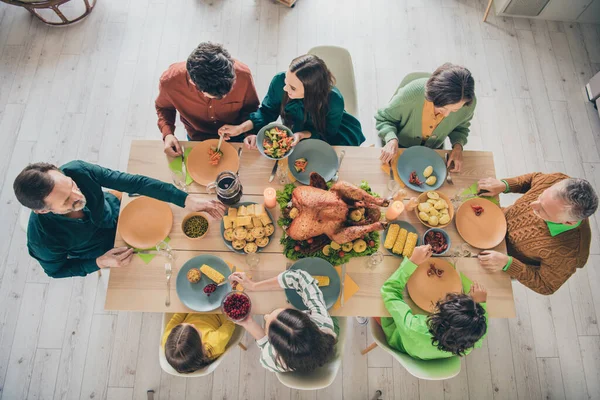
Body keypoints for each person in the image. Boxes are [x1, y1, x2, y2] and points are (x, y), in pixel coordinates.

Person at [13, 160, 226, 279]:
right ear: (43, 211)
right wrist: (99, 262)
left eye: (72, 186)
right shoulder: (42, 240)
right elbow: (55, 271)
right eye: (66, 201)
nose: (79, 197)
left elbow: (134, 183)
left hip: (122, 212)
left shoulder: (78, 170)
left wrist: (185, 199)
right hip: (107, 252)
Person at [476, 173, 598, 295]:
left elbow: (546, 286)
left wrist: (508, 264)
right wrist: (505, 185)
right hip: (495, 220)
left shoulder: (569, 253)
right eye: (540, 197)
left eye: (543, 210)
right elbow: (533, 179)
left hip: (499, 258)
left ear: (569, 222)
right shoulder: (558, 181)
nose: (532, 205)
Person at [220, 54, 365, 147]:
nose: (285, 89)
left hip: (329, 133)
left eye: (293, 88)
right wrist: (240, 128)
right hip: (297, 130)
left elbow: (328, 132)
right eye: (286, 81)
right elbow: (266, 112)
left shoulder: (334, 101)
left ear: (311, 90)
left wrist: (303, 134)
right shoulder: (279, 82)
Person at [380, 245, 488, 360]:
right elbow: (481, 324)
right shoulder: (475, 338)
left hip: (400, 337)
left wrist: (412, 262)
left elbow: (388, 291)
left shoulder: (414, 327)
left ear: (439, 319)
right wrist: (479, 304)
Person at [155, 42, 260, 156]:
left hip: (238, 134)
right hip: (197, 136)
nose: (223, 98)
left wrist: (249, 132)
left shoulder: (243, 75)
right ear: (193, 83)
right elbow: (164, 107)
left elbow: (251, 107)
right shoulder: (170, 81)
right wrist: (168, 134)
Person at [227, 269, 337, 373]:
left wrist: (248, 324)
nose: (266, 315)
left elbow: (265, 345)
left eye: (267, 327)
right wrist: (253, 285)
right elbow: (300, 277)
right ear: (305, 317)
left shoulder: (271, 359)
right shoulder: (322, 322)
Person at [376, 63, 476, 172]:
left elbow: (461, 128)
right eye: (442, 108)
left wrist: (458, 147)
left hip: (432, 152)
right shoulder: (412, 94)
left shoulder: (466, 104)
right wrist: (391, 139)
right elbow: (384, 118)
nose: (447, 115)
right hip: (399, 148)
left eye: (455, 110)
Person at [162, 313, 235, 373]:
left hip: (191, 308)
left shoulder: (167, 340)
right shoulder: (215, 342)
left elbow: (177, 316)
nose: (192, 324)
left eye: (182, 325)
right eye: (193, 328)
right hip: (218, 312)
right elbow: (229, 322)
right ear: (199, 342)